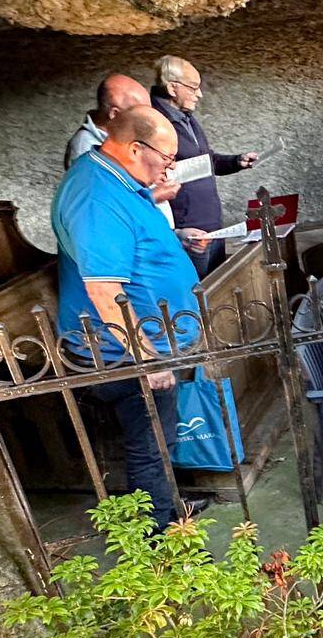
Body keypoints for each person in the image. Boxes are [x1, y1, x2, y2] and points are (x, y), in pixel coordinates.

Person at [53, 106, 208, 529]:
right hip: (123, 349)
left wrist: (173, 241)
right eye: (167, 159)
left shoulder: (116, 178)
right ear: (136, 148)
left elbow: (131, 241)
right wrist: (147, 357)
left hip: (151, 336)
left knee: (161, 435)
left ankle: (170, 507)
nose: (168, 170)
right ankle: (159, 537)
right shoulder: (95, 196)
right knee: (150, 441)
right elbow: (104, 287)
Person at [150, 55, 259, 277]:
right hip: (189, 230)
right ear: (173, 88)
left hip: (211, 223)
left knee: (218, 290)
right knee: (197, 296)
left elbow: (204, 160)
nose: (199, 94)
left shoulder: (186, 118)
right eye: (193, 88)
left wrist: (236, 161)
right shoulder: (155, 122)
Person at [65, 73, 180, 222]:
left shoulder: (125, 138)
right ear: (115, 114)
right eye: (141, 112)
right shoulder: (84, 148)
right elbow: (101, 209)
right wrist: (155, 196)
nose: (150, 120)